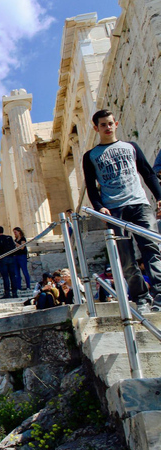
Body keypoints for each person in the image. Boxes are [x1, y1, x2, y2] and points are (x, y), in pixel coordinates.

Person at [84, 109, 161, 312]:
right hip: (114, 209)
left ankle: (160, 293)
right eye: (103, 125)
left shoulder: (131, 147)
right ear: (96, 128)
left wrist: (160, 197)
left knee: (152, 249)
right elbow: (91, 188)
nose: (107, 127)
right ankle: (141, 297)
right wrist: (99, 207)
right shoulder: (90, 156)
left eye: (110, 123)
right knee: (125, 257)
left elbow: (148, 173)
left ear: (116, 124)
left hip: (139, 204)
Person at [0, 226, 19, 299]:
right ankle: (15, 293)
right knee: (12, 276)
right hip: (11, 258)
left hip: (2, 258)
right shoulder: (9, 238)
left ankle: (7, 293)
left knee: (5, 277)